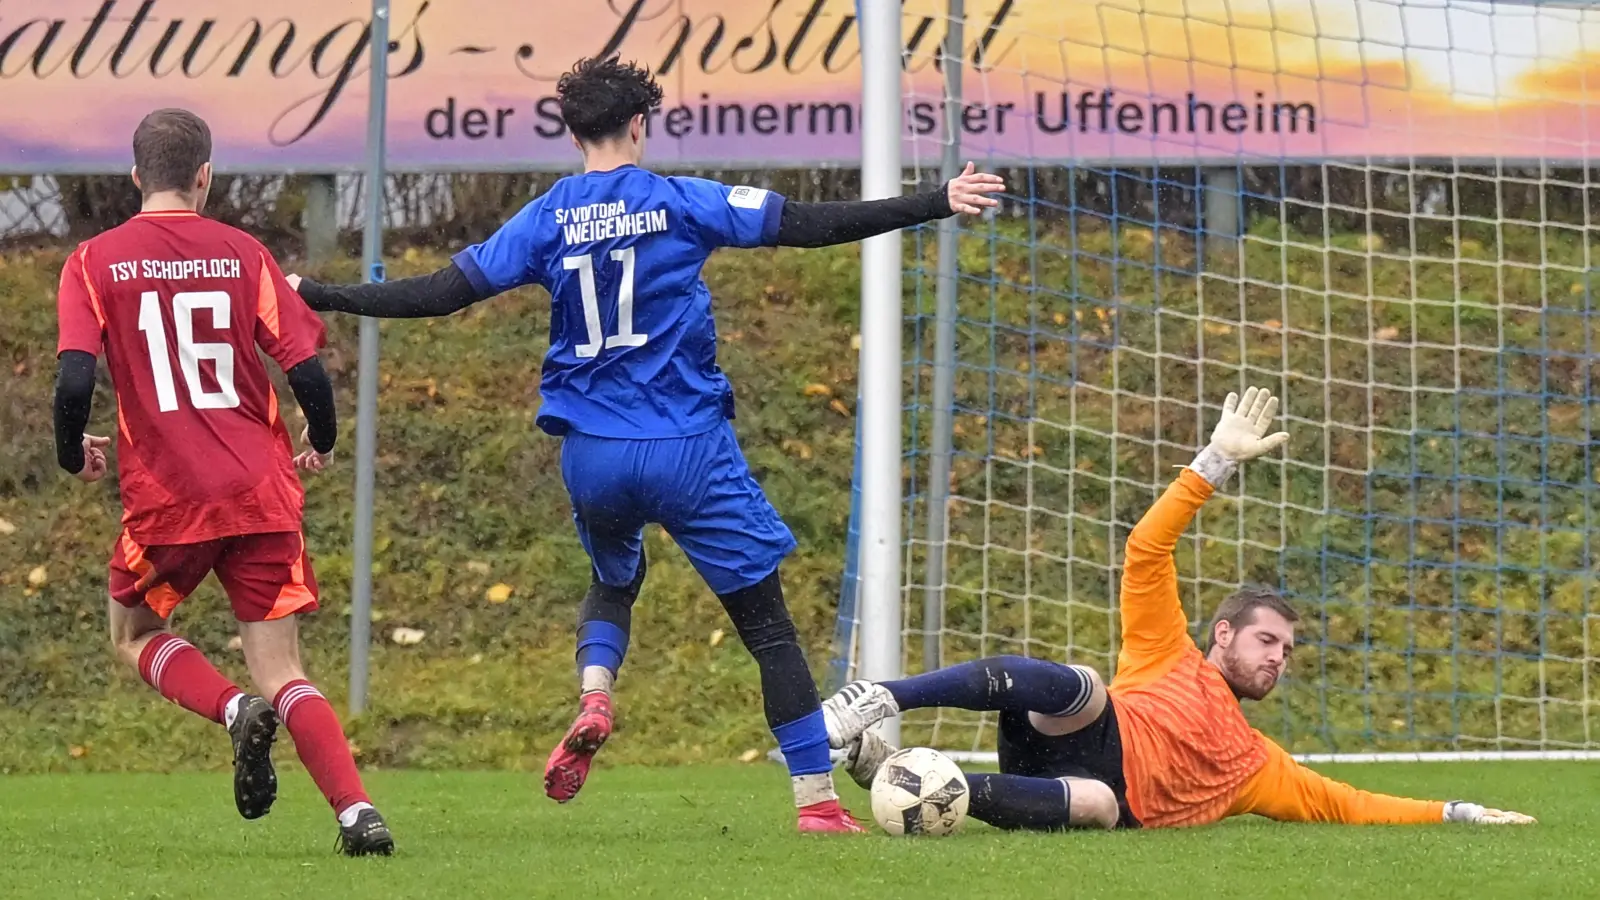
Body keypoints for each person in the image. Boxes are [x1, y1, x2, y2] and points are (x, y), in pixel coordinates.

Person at [286, 55, 1005, 833]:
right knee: (767, 628)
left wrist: (325, 293)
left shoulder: (547, 217)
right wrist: (934, 199)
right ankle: (817, 802)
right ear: (639, 125)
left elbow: (440, 294)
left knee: (614, 578)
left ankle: (597, 690)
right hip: (687, 447)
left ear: (571, 132)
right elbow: (808, 226)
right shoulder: (679, 201)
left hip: (591, 453)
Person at [825, 387, 1536, 831]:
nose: (1277, 658)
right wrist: (1214, 463)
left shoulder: (1259, 765)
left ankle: (906, 777)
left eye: (1286, 652)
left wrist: (1458, 812)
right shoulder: (1168, 649)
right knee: (1086, 682)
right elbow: (1145, 549)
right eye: (1267, 641)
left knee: (1105, 810)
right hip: (1072, 729)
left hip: (1083, 794)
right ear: (1223, 633)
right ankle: (880, 697)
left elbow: (1349, 804)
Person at [53, 108, 394, 856]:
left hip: (168, 496)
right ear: (204, 175)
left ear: (136, 175)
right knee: (285, 667)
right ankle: (357, 815)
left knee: (135, 630)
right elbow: (307, 369)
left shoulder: (92, 261)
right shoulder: (244, 253)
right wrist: (324, 440)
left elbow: (74, 374)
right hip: (261, 488)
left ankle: (233, 708)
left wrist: (71, 450)